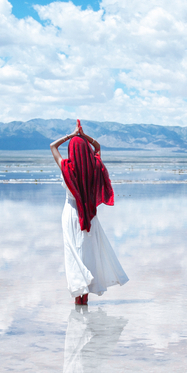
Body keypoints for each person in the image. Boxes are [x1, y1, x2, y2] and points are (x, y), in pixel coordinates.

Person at [51, 120, 129, 305]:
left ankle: (79, 299)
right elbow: (98, 146)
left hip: (71, 214)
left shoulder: (66, 168)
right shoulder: (95, 167)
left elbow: (52, 146)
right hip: (90, 216)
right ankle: (84, 298)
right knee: (88, 253)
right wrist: (84, 136)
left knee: (74, 253)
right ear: (87, 150)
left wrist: (72, 135)